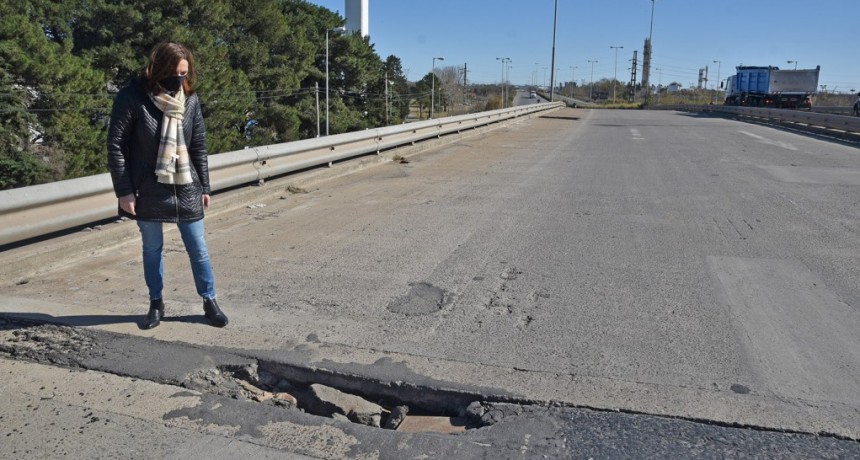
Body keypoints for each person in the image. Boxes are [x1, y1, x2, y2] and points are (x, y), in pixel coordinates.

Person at [107, 42, 228, 330]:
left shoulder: (190, 99)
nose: (180, 80)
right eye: (175, 73)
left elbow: (198, 145)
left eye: (185, 73)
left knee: (198, 248)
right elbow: (116, 146)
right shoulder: (132, 97)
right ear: (158, 70)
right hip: (148, 187)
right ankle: (156, 303)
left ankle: (209, 301)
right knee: (152, 249)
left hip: (187, 185)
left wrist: (205, 187)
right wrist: (124, 191)